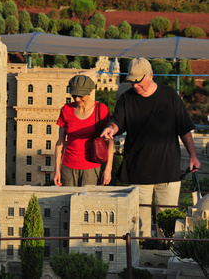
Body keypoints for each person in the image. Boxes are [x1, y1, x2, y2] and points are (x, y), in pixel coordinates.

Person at [100, 57, 200, 237]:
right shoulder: (126, 99)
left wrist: (193, 155)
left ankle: (166, 258)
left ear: (150, 75)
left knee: (168, 224)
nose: (135, 86)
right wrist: (110, 128)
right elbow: (117, 122)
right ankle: (141, 262)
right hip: (138, 172)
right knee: (139, 224)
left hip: (168, 171)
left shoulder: (169, 95)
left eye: (138, 81)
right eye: (131, 81)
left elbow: (184, 129)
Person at [54, 75, 114, 187]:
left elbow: (110, 141)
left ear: (89, 92)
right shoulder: (66, 110)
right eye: (74, 95)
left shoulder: (101, 110)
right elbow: (60, 142)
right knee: (67, 202)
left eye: (80, 96)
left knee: (88, 203)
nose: (77, 99)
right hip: (68, 168)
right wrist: (57, 170)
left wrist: (108, 168)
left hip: (92, 168)